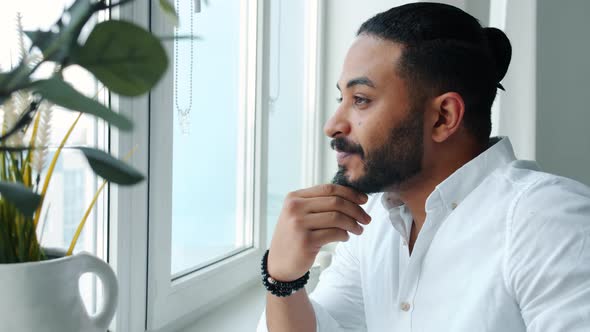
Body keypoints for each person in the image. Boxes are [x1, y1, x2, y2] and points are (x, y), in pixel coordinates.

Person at [257, 2, 590, 331]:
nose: (333, 125)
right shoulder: (371, 224)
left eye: (360, 99)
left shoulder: (549, 221)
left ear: (443, 117)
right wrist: (284, 279)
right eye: (340, 99)